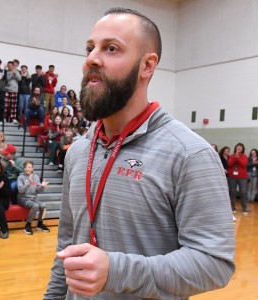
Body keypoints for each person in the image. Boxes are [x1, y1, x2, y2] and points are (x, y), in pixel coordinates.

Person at [44, 8, 235, 300]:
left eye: (111, 48)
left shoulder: (190, 154)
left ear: (147, 65)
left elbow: (214, 264)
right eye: (89, 48)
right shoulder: (79, 151)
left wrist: (115, 271)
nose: (92, 58)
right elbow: (67, 246)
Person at [17, 161, 50, 235]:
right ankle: (28, 225)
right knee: (35, 205)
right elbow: (21, 191)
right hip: (22, 198)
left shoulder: (36, 177)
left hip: (33, 198)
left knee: (43, 206)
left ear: (33, 168)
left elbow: (38, 191)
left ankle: (40, 224)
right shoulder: (20, 177)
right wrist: (28, 182)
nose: (27, 169)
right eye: (25, 167)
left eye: (29, 167)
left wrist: (42, 186)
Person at [228, 143, 249, 214]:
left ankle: (245, 208)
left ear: (243, 149)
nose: (239, 148)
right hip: (232, 177)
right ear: (235, 148)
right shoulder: (231, 156)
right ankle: (232, 208)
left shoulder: (244, 156)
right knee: (232, 192)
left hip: (242, 178)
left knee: (243, 192)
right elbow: (230, 164)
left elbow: (243, 164)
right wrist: (235, 157)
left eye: (240, 147)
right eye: (238, 147)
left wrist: (238, 157)